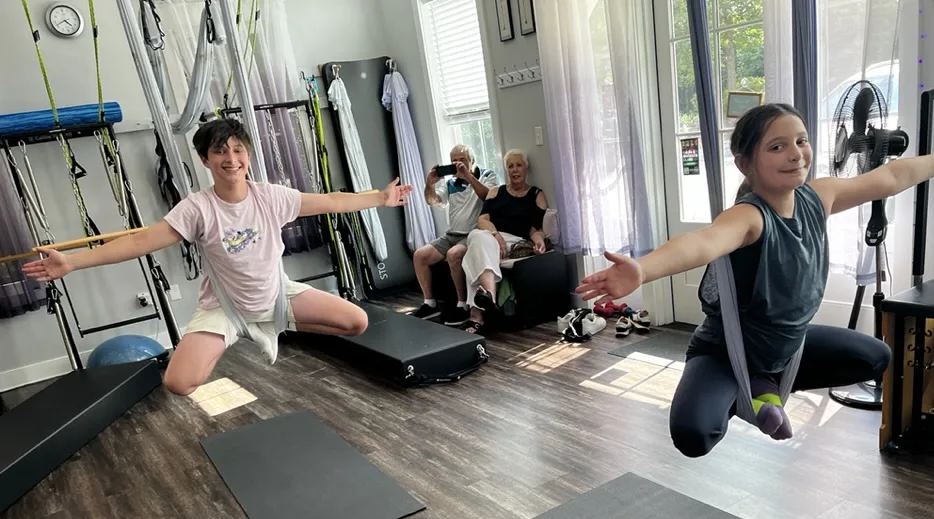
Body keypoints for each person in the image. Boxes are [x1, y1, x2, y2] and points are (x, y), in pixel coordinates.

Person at [577, 102, 934, 457]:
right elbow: (702, 242)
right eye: (776, 147)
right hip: (726, 352)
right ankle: (746, 390)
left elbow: (890, 178)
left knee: (875, 357)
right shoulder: (749, 217)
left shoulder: (818, 197)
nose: (795, 154)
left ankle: (764, 385)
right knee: (693, 435)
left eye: (801, 141)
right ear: (745, 163)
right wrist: (643, 269)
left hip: (787, 350)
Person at [22, 118, 412, 397]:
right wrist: (72, 262)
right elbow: (141, 242)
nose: (231, 158)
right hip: (224, 308)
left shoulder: (271, 196)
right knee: (178, 383)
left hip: (276, 296)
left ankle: (276, 326)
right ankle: (239, 333)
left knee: (357, 322)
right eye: (220, 151)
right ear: (205, 159)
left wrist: (380, 198)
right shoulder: (197, 208)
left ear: (248, 155)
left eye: (238, 149)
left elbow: (330, 201)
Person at [461, 149, 549, 334]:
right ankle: (490, 300)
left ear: (526, 168)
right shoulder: (496, 192)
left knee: (475, 247)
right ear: (506, 170)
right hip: (491, 236)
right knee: (477, 237)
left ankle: (477, 315)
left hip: (514, 241)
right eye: (510, 166)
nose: (515, 170)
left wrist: (539, 241)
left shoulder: (536, 194)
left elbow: (535, 229)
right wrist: (496, 235)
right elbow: (483, 220)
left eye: (519, 165)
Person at [412, 145, 499, 325]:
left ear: (472, 160)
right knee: (420, 256)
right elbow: (432, 201)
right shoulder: (450, 183)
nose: (458, 164)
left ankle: (462, 305)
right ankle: (430, 303)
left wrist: (469, 177)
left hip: (472, 234)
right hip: (451, 234)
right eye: (454, 160)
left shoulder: (487, 175)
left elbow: (489, 197)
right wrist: (430, 184)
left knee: (453, 255)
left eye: (462, 159)